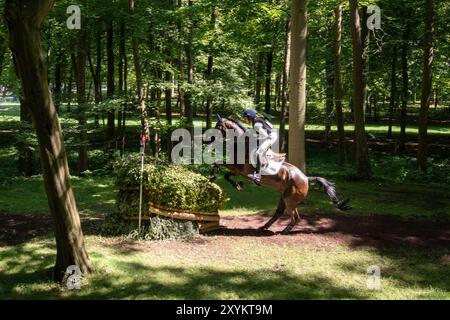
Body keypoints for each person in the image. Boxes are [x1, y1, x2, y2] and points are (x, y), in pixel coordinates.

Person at [242, 109, 278, 184]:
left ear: (249, 117)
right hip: (271, 133)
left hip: (270, 137)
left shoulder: (256, 125)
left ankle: (258, 175)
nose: (244, 120)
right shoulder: (258, 119)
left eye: (245, 118)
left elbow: (265, 135)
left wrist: (254, 137)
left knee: (258, 153)